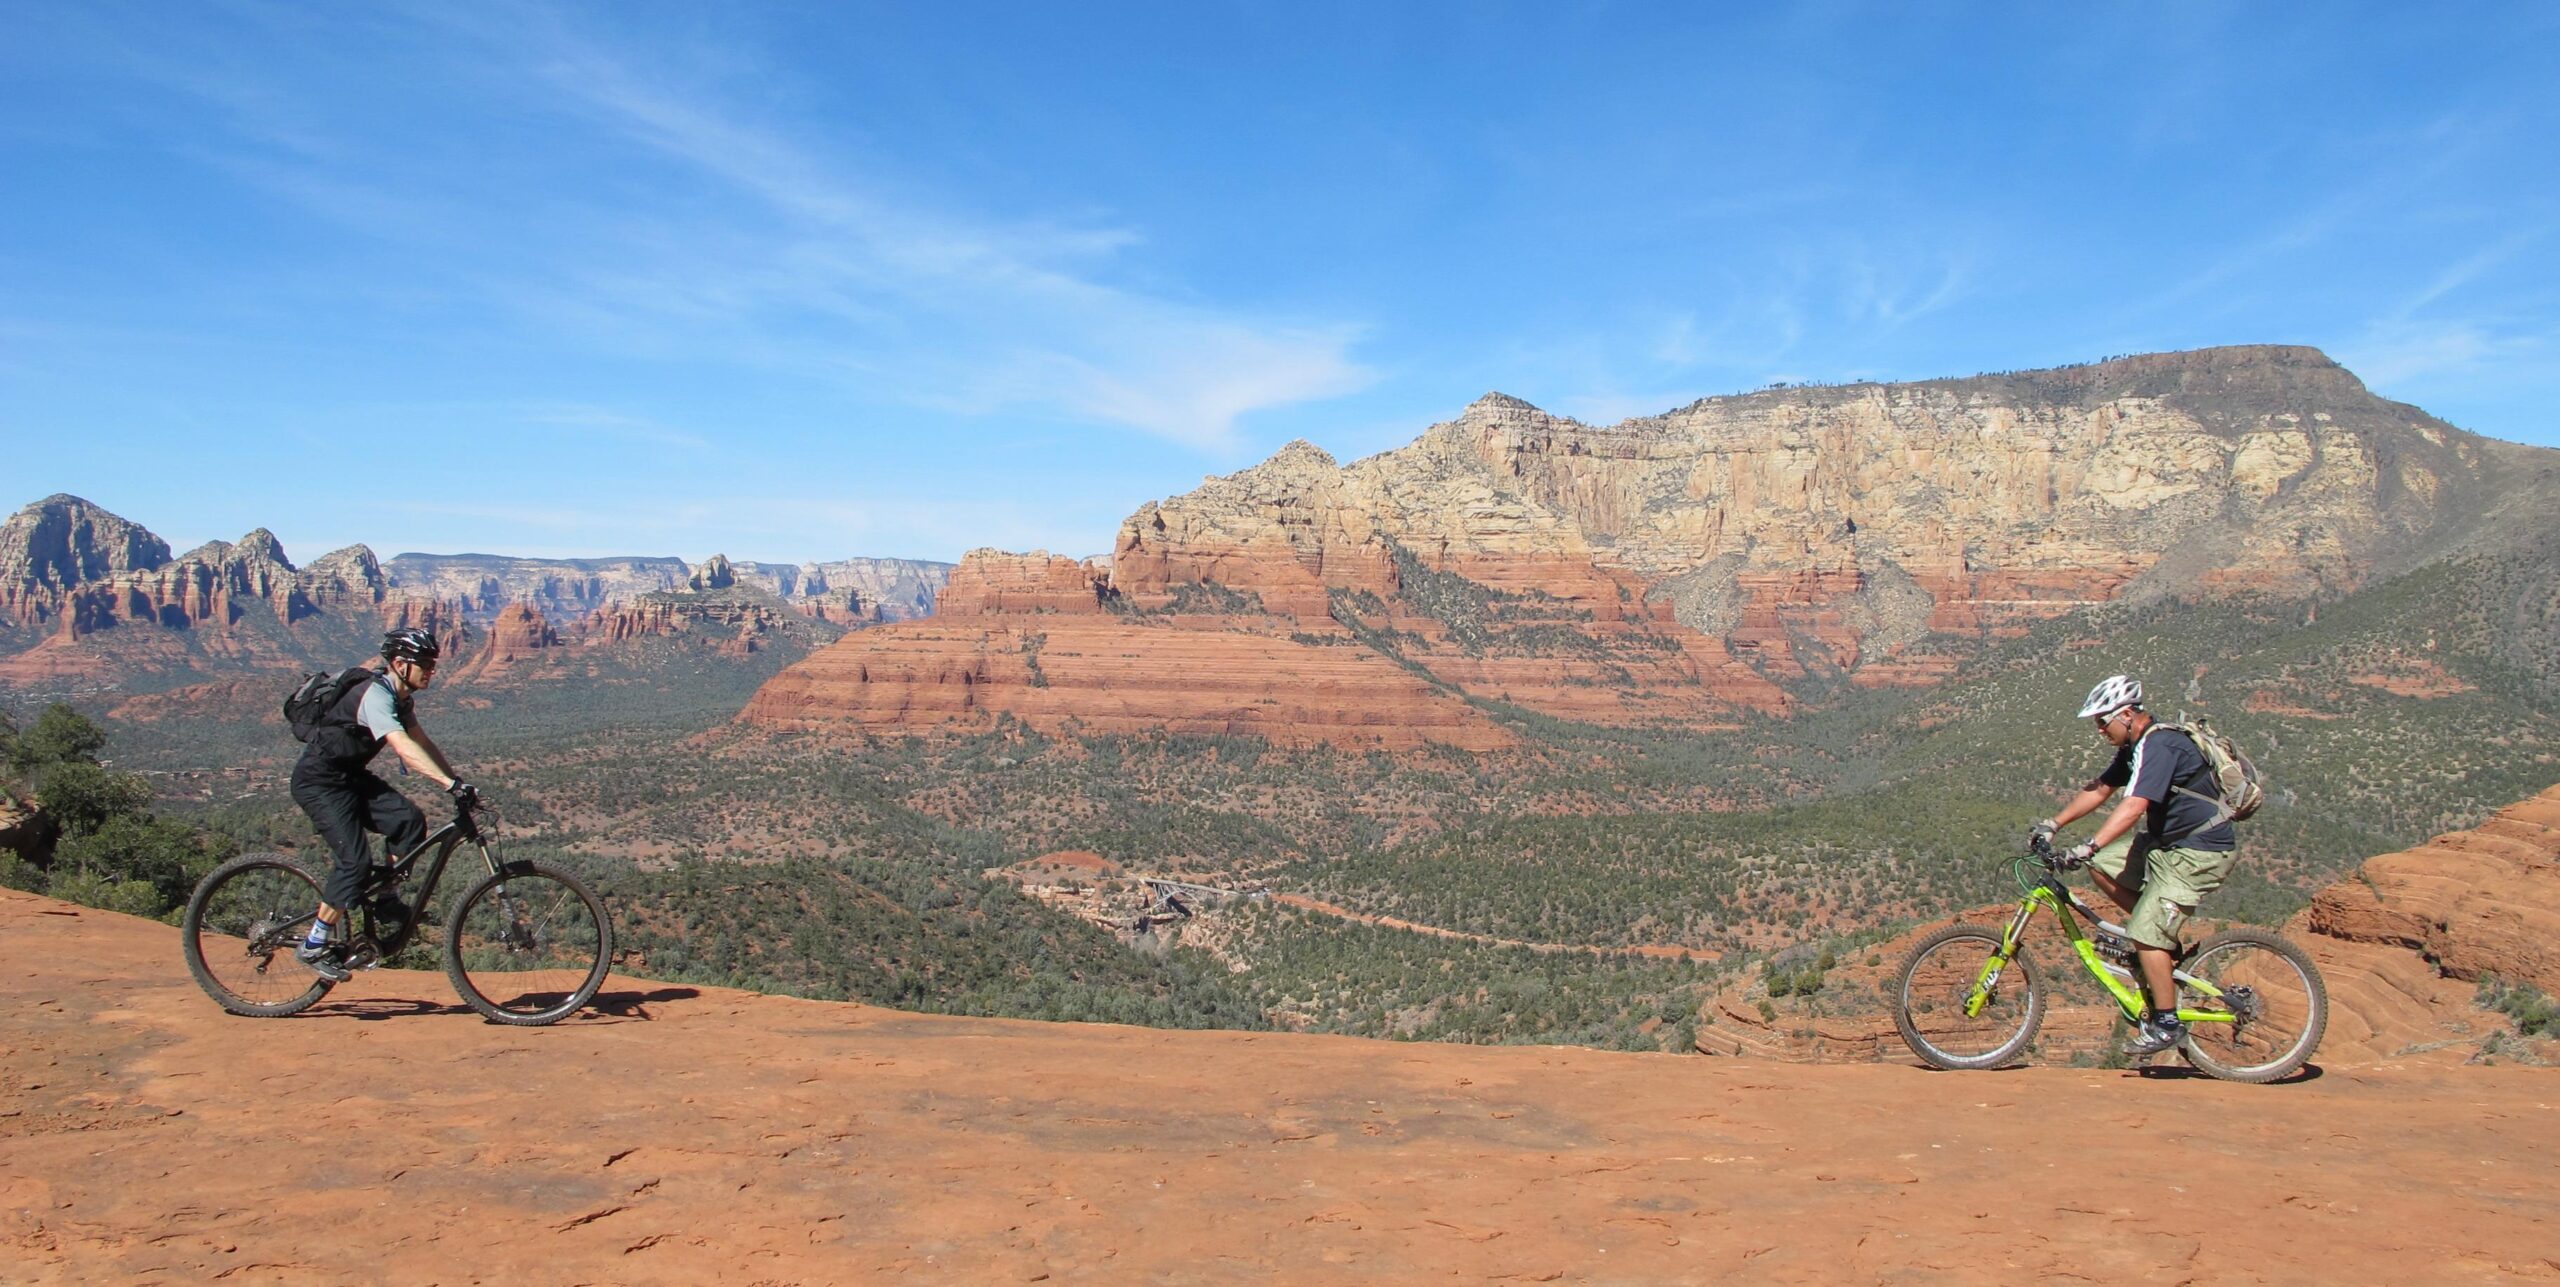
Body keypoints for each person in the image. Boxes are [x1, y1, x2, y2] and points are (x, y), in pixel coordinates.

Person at [2029, 674, 2238, 1056]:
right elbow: (2102, 788)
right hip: (2165, 844)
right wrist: (2053, 825)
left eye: (2102, 721)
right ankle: (2158, 939)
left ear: (2126, 714)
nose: (2099, 729)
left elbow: (2134, 806)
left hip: (2198, 851)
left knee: (2142, 930)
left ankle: (2167, 1021)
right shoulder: (2135, 746)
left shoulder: (2160, 745)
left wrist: (2088, 845)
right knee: (2105, 865)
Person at [291, 627, 475, 981]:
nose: (430, 671)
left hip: (349, 777)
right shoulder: (375, 697)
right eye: (424, 664)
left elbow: (422, 742)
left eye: (432, 664)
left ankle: (386, 897)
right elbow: (403, 747)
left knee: (408, 821)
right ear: (399, 664)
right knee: (354, 864)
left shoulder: (402, 699)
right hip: (319, 783)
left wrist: (458, 783)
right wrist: (448, 784)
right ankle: (314, 944)